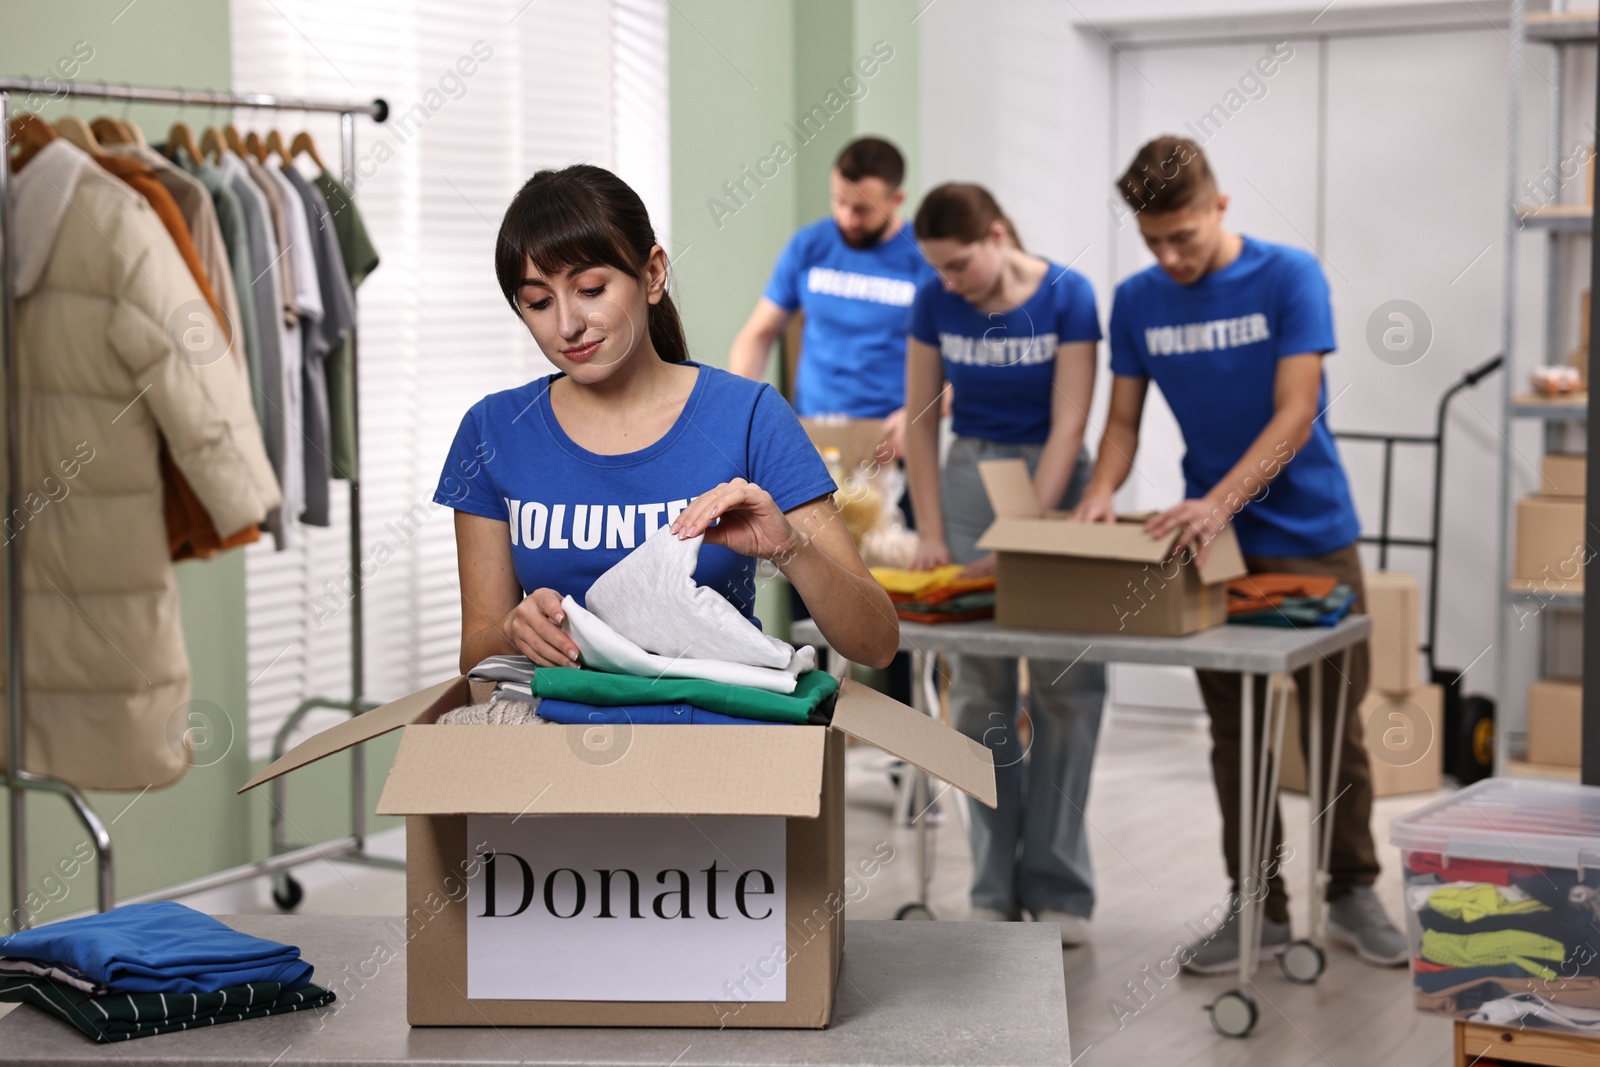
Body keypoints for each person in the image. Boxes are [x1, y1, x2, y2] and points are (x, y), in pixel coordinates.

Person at [1074, 135, 1406, 971]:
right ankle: (1254, 902)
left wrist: (1220, 502)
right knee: (1234, 730)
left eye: (1183, 235)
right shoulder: (1139, 300)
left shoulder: (1289, 277)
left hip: (1313, 539)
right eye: (1153, 241)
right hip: (1210, 551)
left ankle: (1353, 890)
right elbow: (1121, 423)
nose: (1170, 255)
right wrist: (1100, 491)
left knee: (1335, 727)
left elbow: (1298, 413)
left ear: (1220, 207)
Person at [435, 164, 898, 682]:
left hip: (712, 737)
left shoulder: (749, 416)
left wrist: (788, 546)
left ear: (652, 274)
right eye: (539, 302)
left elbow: (875, 643)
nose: (566, 325)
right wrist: (513, 629)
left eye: (590, 289)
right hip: (554, 741)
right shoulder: (493, 431)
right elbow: (477, 663)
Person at [903, 182, 1107, 947]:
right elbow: (921, 421)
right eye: (940, 270)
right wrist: (930, 528)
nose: (951, 282)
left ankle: (1060, 888)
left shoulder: (1068, 294)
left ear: (995, 234)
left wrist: (1024, 532)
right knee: (978, 688)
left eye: (960, 265)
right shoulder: (933, 300)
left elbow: (1071, 421)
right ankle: (992, 887)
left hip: (1054, 481)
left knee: (1068, 683)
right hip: (967, 479)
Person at [730, 136, 934, 703]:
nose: (847, 216)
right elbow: (757, 334)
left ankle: (899, 735)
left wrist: (912, 415)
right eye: (839, 201)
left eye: (862, 207)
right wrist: (748, 417)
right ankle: (814, 719)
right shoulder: (811, 246)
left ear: (898, 199)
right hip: (816, 451)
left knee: (890, 593)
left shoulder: (924, 259)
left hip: (890, 453)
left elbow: (949, 361)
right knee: (810, 583)